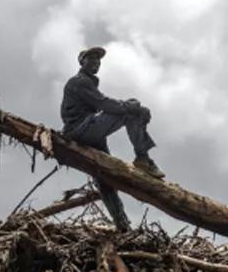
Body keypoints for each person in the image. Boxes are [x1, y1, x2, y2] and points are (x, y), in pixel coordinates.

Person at [60, 46, 165, 230]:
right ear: (81, 61)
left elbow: (103, 105)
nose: (96, 62)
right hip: (79, 131)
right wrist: (134, 107)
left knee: (105, 178)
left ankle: (122, 224)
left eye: (98, 60)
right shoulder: (79, 82)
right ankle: (143, 159)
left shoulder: (88, 83)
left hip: (89, 132)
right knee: (130, 111)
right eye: (91, 58)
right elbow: (104, 104)